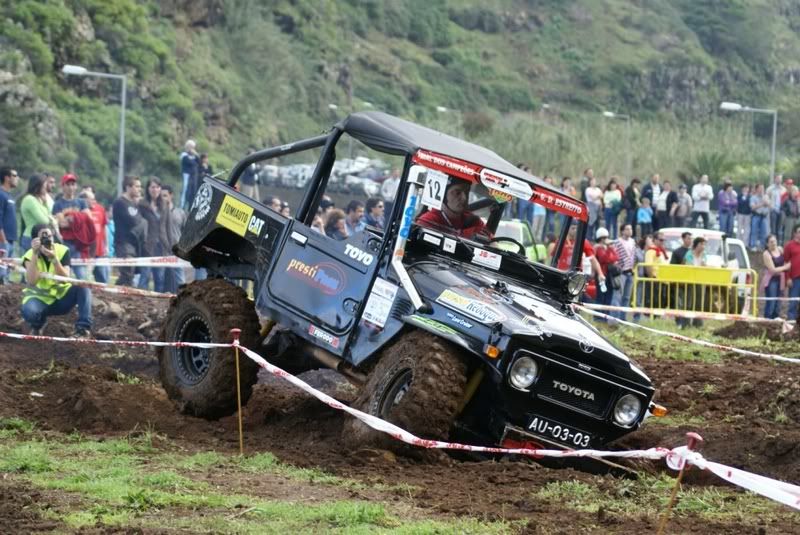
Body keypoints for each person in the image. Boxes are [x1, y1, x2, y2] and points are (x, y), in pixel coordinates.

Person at [20, 223, 92, 337]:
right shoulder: (29, 255)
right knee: (29, 311)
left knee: (83, 286)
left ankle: (83, 329)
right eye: (43, 237)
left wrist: (54, 259)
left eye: (49, 236)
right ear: (35, 240)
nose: (47, 240)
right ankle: (37, 325)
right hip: (39, 298)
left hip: (61, 297)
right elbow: (32, 281)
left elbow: (65, 279)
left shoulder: (62, 250)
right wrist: (35, 254)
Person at [417, 178, 490, 239]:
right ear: (443, 195)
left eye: (467, 192)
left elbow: (490, 241)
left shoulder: (473, 220)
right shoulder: (428, 220)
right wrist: (468, 234)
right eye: (457, 193)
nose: (464, 198)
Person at [52, 173, 94, 280]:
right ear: (63, 186)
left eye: (73, 184)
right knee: (65, 276)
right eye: (68, 184)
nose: (71, 187)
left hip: (79, 244)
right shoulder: (58, 204)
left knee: (82, 276)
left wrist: (72, 218)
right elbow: (61, 223)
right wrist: (78, 219)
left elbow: (88, 219)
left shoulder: (81, 202)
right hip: (65, 243)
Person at [113, 176, 146, 286]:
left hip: (134, 244)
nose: (139, 189)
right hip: (124, 244)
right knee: (127, 274)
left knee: (128, 276)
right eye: (137, 186)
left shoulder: (134, 204)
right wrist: (141, 218)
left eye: (140, 187)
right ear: (128, 187)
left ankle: (115, 291)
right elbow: (134, 221)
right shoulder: (120, 203)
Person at [19, 174, 59, 253]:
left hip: (41, 237)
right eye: (44, 186)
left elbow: (49, 214)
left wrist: (45, 203)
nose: (46, 188)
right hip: (31, 237)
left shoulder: (38, 200)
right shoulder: (29, 199)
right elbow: (43, 220)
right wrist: (52, 220)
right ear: (38, 186)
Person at [137, 177, 165, 292]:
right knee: (145, 276)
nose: (155, 190)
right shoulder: (142, 204)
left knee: (160, 278)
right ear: (148, 189)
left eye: (157, 187)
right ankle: (141, 301)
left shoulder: (164, 205)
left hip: (161, 246)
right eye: (153, 187)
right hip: (147, 246)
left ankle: (158, 301)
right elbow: (139, 225)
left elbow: (167, 225)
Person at [159, 185, 186, 294]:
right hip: (162, 251)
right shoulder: (159, 212)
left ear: (171, 196)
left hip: (177, 251)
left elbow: (185, 231)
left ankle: (183, 297)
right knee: (160, 280)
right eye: (161, 196)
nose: (163, 198)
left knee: (180, 279)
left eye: (165, 195)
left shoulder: (180, 213)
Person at [79, 186, 110, 283]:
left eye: (94, 199)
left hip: (99, 251)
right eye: (91, 199)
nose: (94, 201)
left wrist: (106, 245)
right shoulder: (80, 211)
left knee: (102, 279)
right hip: (86, 252)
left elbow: (104, 228)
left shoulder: (100, 209)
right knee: (85, 278)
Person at [761, 234, 789, 319]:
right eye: (771, 242)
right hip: (771, 280)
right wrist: (785, 267)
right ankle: (767, 319)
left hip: (780, 278)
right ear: (767, 244)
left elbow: (786, 259)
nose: (774, 243)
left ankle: (775, 319)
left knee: (778, 302)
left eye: (775, 241)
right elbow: (773, 270)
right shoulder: (766, 254)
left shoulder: (780, 249)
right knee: (771, 302)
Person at [593, 227, 619, 318]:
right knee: (600, 296)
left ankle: (605, 316)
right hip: (601, 275)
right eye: (604, 238)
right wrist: (608, 250)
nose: (606, 240)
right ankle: (598, 317)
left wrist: (610, 249)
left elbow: (616, 258)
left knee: (609, 296)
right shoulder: (598, 248)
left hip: (609, 275)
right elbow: (604, 259)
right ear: (600, 238)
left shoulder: (607, 248)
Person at [0, 167, 19, 284]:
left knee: (7, 272)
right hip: (3, 241)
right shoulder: (1, 195)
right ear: (7, 178)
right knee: (1, 273)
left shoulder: (9, 196)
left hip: (10, 240)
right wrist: (3, 240)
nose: (17, 178)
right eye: (15, 176)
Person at [643, 231, 668, 309]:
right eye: (661, 240)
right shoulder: (651, 251)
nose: (662, 242)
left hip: (662, 280)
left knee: (661, 302)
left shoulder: (660, 251)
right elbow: (648, 266)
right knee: (655, 302)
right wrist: (652, 278)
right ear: (655, 240)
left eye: (664, 240)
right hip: (655, 280)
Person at [784, 224, 800, 321]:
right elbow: (786, 262)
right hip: (795, 278)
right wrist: (788, 278)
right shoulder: (789, 245)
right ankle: (791, 321)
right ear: (795, 233)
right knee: (793, 302)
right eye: (799, 232)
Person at [180, 140, 200, 209]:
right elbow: (190, 162)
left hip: (193, 176)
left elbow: (198, 162)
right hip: (186, 175)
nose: (192, 149)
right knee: (185, 190)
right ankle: (181, 206)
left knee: (192, 192)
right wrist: (195, 162)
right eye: (191, 147)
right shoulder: (184, 155)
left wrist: (196, 154)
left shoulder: (194, 156)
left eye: (193, 147)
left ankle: (189, 207)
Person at [749, 184, 770, 251]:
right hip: (756, 216)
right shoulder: (753, 197)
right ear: (757, 189)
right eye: (760, 188)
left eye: (763, 188)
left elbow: (770, 205)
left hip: (764, 216)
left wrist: (767, 203)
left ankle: (762, 246)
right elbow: (753, 207)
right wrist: (762, 204)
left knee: (764, 232)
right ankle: (753, 246)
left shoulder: (766, 196)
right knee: (754, 232)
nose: (761, 190)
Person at [584, 176, 602, 240]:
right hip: (591, 206)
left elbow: (601, 196)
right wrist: (598, 196)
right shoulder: (588, 189)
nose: (593, 182)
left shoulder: (598, 189)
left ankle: (597, 238)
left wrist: (597, 197)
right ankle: (589, 238)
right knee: (591, 223)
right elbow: (592, 198)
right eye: (592, 181)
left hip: (598, 206)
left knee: (598, 223)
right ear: (590, 182)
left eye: (594, 181)